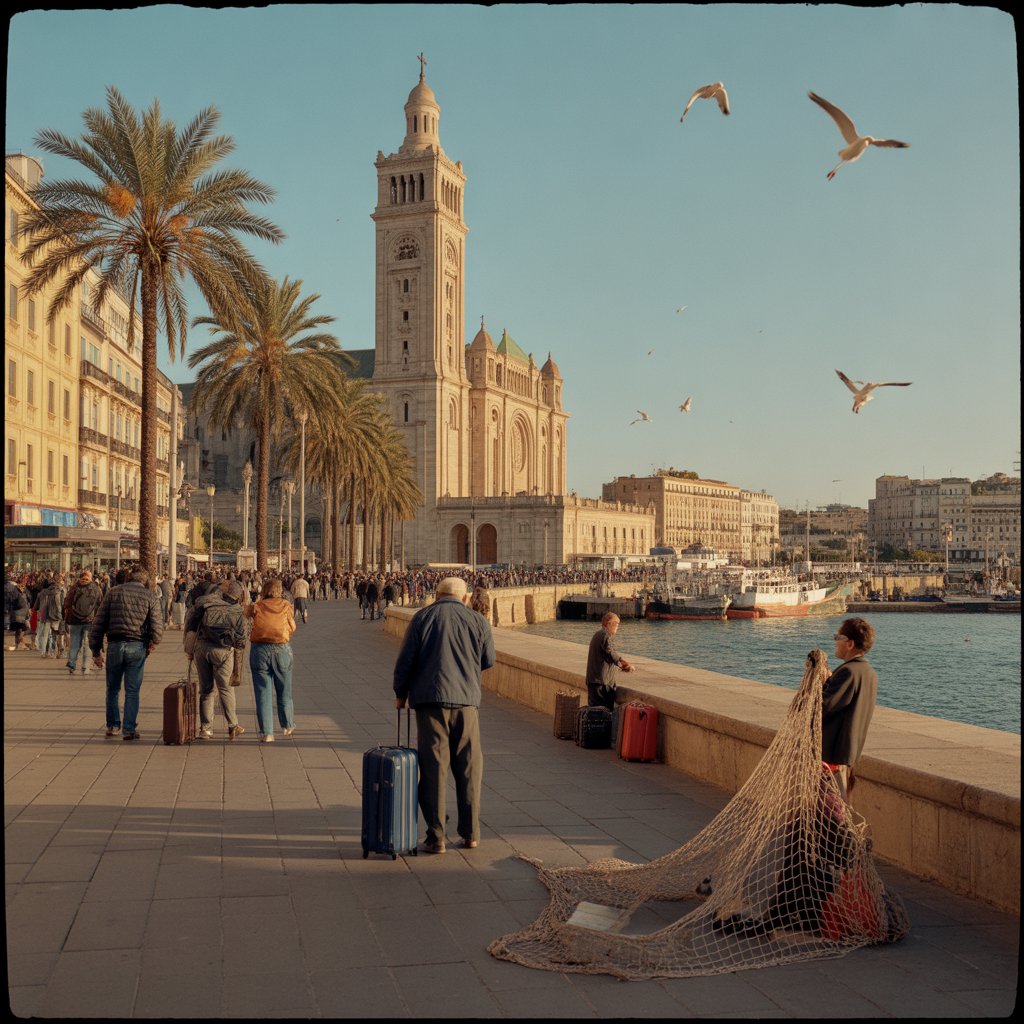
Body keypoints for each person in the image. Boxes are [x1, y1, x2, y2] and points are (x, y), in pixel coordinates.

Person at [393, 576, 495, 854]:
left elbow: (406, 661)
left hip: (430, 701)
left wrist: (400, 693)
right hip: (466, 703)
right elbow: (488, 660)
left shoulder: (422, 618)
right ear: (464, 597)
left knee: (434, 767)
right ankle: (470, 832)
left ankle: (436, 836)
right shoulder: (478, 621)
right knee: (469, 767)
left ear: (436, 595)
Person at [89, 567, 164, 741]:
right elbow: (157, 628)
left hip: (115, 644)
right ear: (144, 581)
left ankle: (113, 725)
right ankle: (129, 729)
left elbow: (98, 623)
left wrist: (96, 651)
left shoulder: (113, 593)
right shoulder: (150, 596)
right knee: (132, 690)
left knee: (113, 688)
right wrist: (153, 643)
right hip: (137, 646)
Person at [822, 617, 878, 801]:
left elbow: (824, 707)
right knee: (838, 811)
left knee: (832, 816)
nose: (835, 641)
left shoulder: (848, 672)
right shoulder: (868, 672)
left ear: (850, 643)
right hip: (848, 755)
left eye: (838, 637)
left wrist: (821, 684)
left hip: (834, 756)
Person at [186, 579, 248, 740]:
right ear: (239, 596)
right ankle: (232, 725)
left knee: (206, 690)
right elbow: (241, 639)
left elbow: (191, 629)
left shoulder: (206, 605)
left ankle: (205, 729)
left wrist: (189, 651)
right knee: (225, 688)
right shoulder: (236, 610)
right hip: (223, 651)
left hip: (201, 649)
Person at [246, 578, 297, 743]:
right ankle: (287, 725)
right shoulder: (286, 605)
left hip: (259, 650)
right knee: (284, 691)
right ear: (279, 591)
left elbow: (245, 614)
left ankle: (267, 733)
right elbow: (293, 627)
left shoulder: (258, 606)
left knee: (262, 692)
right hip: (281, 649)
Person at [585, 612, 635, 710]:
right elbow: (611, 653)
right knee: (602, 714)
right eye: (616, 624)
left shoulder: (598, 634)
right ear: (608, 624)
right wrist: (625, 665)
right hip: (601, 684)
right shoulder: (605, 635)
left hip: (595, 682)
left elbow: (606, 655)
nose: (617, 627)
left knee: (595, 713)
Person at [63, 569, 104, 675]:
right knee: (87, 643)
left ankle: (72, 663)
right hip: (90, 620)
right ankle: (85, 666)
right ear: (90, 577)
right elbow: (100, 604)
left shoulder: (74, 587)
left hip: (75, 620)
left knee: (75, 643)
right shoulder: (96, 588)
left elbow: (67, 602)